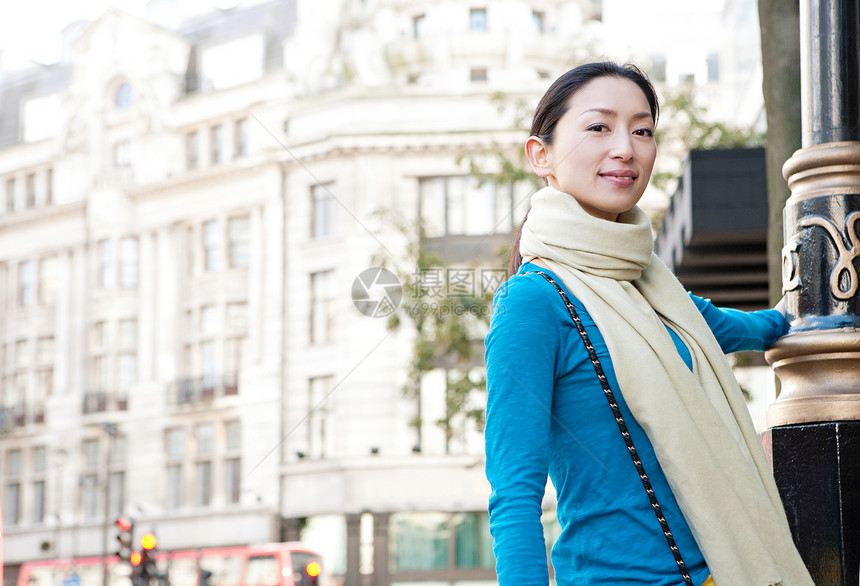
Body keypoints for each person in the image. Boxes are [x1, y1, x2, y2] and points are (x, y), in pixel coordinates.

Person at [483, 62, 814, 586]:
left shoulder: (654, 290)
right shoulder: (531, 302)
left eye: (642, 130)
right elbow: (514, 493)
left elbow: (748, 328)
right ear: (540, 155)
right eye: (599, 127)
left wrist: (813, 303)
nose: (625, 148)